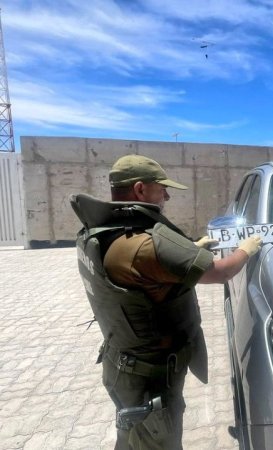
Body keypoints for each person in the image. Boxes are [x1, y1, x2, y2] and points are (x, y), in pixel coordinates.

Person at [70, 154, 262, 450]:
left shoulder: (102, 232)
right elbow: (222, 271)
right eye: (162, 189)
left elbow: (143, 274)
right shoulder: (145, 245)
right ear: (140, 189)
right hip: (151, 380)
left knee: (134, 439)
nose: (167, 197)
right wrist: (246, 249)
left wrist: (190, 249)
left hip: (122, 366)